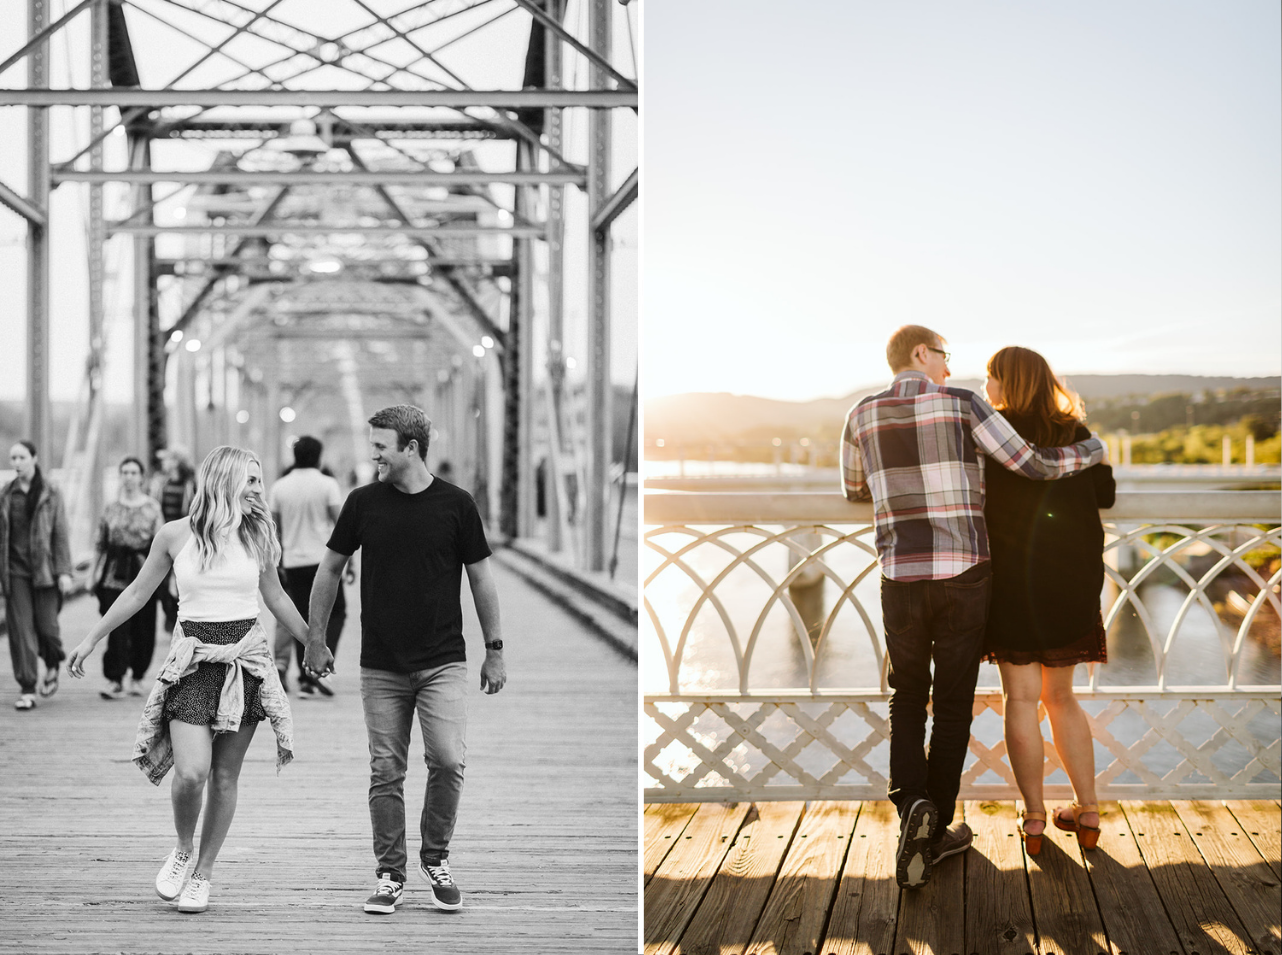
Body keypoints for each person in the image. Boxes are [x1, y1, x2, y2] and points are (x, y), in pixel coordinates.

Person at [841, 325, 1107, 889]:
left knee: (908, 697)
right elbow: (1032, 465)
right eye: (942, 354)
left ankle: (913, 802)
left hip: (900, 575)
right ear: (921, 353)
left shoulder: (859, 414)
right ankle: (936, 828)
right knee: (955, 701)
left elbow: (854, 489)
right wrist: (1089, 450)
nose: (948, 365)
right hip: (965, 574)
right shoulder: (963, 405)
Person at [67, 446, 304, 914]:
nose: (260, 489)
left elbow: (275, 596)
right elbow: (137, 592)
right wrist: (91, 639)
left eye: (260, 480)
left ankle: (204, 873)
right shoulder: (175, 535)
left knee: (223, 777)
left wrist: (311, 641)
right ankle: (181, 848)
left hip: (244, 664)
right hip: (193, 662)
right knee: (191, 773)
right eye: (252, 481)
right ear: (226, 480)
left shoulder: (258, 535)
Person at [304, 405, 506, 915]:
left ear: (410, 448)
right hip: (381, 664)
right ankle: (390, 872)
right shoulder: (362, 502)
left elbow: (481, 578)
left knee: (447, 760)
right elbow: (329, 571)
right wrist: (315, 638)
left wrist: (495, 650)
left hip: (443, 660)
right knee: (386, 770)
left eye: (380, 446)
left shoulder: (456, 505)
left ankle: (434, 857)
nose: (372, 454)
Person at [981, 346, 1115, 855]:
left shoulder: (992, 437)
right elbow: (1103, 495)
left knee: (1020, 699)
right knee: (1061, 698)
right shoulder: (1076, 435)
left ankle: (1035, 819)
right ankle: (1089, 810)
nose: (986, 387)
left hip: (1013, 584)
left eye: (991, 378)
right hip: (1070, 582)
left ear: (1006, 383)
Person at [268, 435, 352, 697]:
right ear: (318, 456)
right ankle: (323, 663)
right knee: (337, 612)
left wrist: (277, 560)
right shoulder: (327, 484)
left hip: (293, 561)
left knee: (300, 618)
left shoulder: (280, 487)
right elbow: (342, 525)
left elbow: (274, 528)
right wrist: (350, 563)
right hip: (323, 562)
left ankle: (306, 676)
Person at [1, 440, 73, 710]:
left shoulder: (51, 493)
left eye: (21, 457)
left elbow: (61, 534)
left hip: (46, 573)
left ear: (34, 457)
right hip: (15, 572)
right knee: (21, 630)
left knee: (47, 628)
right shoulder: (6, 494)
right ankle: (27, 686)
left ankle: (52, 661)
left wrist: (65, 571)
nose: (16, 463)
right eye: (12, 458)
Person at [94, 456, 165, 700]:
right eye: (124, 472)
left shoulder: (152, 508)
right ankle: (115, 677)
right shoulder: (111, 508)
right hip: (114, 573)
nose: (129, 477)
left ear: (141, 477)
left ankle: (137, 676)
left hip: (144, 570)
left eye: (133, 472)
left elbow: (161, 544)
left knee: (143, 627)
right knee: (116, 625)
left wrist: (168, 579)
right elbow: (100, 543)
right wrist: (93, 573)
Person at [153, 448, 196, 632]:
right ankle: (171, 614)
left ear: (177, 461)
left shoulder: (190, 485)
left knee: (181, 580)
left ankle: (180, 618)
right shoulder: (161, 484)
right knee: (161, 584)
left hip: (183, 539)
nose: (164, 462)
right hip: (165, 537)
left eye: (168, 459)